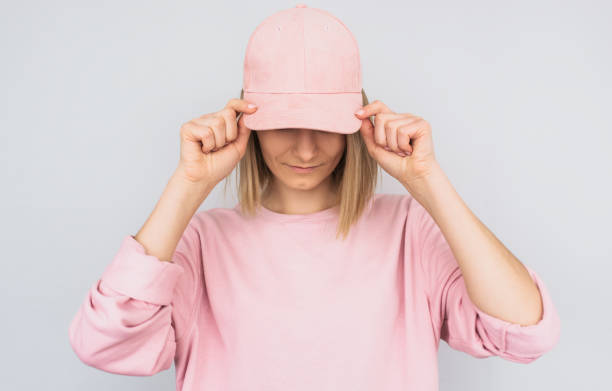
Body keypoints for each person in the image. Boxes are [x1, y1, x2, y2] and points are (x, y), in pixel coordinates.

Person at [68, 5, 561, 391]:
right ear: (248, 124)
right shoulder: (199, 242)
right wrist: (187, 183)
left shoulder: (409, 231)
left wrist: (428, 179)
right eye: (283, 125)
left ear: (356, 125)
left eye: (325, 127)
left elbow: (526, 330)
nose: (305, 148)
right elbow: (104, 345)